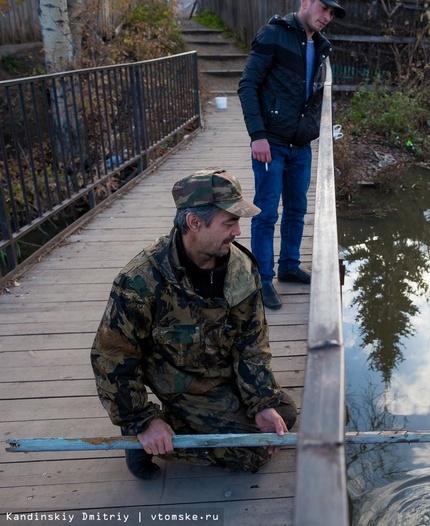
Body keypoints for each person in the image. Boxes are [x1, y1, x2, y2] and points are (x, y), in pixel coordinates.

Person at [91, 169, 298, 480]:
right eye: (229, 223)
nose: (238, 232)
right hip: (177, 378)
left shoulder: (241, 268)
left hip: (220, 371)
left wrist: (261, 401)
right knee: (249, 453)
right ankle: (142, 440)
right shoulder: (141, 280)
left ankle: (180, 426)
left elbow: (251, 343)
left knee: (282, 415)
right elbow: (111, 357)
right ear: (194, 223)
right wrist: (140, 421)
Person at [237, 0, 346, 309]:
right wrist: (257, 136)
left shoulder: (322, 46)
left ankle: (288, 265)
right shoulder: (273, 34)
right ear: (305, 2)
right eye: (323, 8)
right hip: (271, 143)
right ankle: (263, 279)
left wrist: (314, 128)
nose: (326, 17)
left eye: (332, 13)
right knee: (267, 211)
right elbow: (247, 86)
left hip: (301, 145)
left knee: (297, 208)